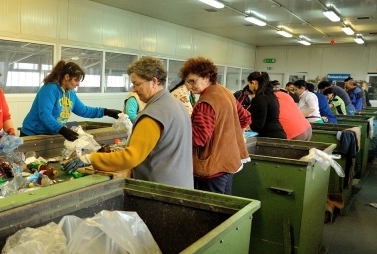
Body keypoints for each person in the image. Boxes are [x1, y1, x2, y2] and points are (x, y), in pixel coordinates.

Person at [63, 57, 193, 188]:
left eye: (137, 84)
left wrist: (89, 159)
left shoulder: (153, 114)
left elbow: (131, 157)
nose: (133, 89)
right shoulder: (177, 105)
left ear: (154, 81)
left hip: (160, 190)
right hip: (181, 186)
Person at [180, 57, 250, 195]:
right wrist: (232, 139)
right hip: (230, 161)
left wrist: (177, 130)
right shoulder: (225, 92)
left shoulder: (206, 103)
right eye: (187, 82)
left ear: (206, 77)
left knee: (212, 210)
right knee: (225, 206)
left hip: (212, 168)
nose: (189, 86)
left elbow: (198, 139)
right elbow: (245, 118)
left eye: (193, 81)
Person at [21, 60, 121, 141]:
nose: (78, 84)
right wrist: (62, 129)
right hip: (32, 134)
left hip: (50, 133)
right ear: (67, 77)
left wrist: (106, 112)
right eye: (76, 80)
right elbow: (45, 115)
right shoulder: (50, 89)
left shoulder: (70, 93)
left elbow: (84, 110)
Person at [245, 72, 286, 138]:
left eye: (249, 84)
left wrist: (245, 128)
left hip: (270, 136)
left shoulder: (261, 98)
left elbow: (258, 124)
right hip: (276, 133)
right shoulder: (270, 95)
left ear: (253, 82)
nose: (249, 87)